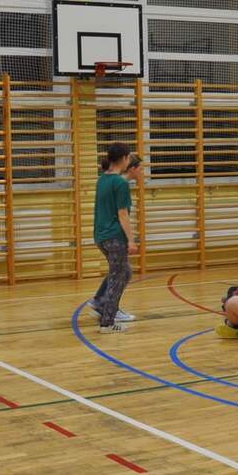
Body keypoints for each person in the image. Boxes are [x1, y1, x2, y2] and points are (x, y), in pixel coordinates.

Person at [91, 143, 139, 333]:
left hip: (101, 236)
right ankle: (107, 323)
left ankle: (102, 306)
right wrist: (131, 240)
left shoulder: (102, 180)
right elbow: (123, 214)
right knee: (117, 278)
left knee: (124, 273)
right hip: (115, 237)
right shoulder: (120, 183)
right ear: (125, 158)